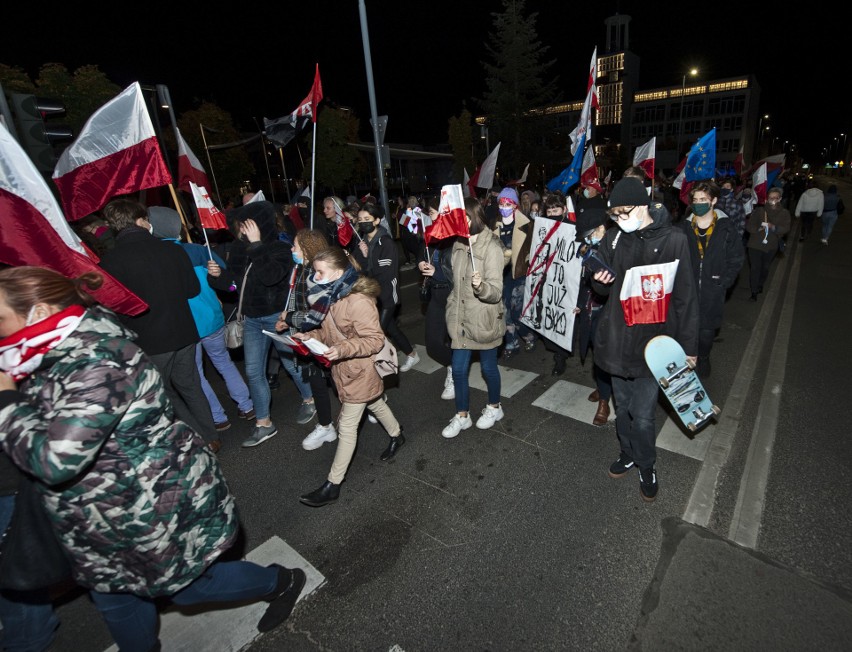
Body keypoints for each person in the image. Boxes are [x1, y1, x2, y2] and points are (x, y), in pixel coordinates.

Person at [0, 267, 306, 652]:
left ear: (40, 312)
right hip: (97, 517)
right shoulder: (31, 355)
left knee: (191, 589)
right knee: (115, 599)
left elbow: (56, 460)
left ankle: (280, 581)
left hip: (148, 506)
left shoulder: (98, 359)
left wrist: (6, 402)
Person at [590, 177, 699, 502]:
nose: (620, 220)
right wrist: (599, 280)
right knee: (623, 410)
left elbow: (686, 299)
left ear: (643, 206)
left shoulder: (675, 240)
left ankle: (646, 464)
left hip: (655, 346)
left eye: (624, 213)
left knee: (644, 415)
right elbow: (602, 290)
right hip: (618, 342)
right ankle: (628, 453)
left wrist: (689, 349)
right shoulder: (612, 239)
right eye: (615, 215)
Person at [99, 198, 221, 452]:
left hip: (150, 339)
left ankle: (195, 438)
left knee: (163, 391)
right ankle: (211, 436)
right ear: (139, 221)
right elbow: (192, 289)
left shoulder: (110, 263)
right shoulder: (173, 250)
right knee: (191, 385)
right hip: (185, 331)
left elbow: (114, 307)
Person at [294, 247, 405, 507]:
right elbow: (328, 333)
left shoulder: (358, 300)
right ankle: (397, 435)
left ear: (339, 271)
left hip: (361, 369)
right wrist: (311, 337)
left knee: (346, 426)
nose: (315, 276)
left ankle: (333, 485)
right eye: (315, 271)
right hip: (343, 369)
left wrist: (342, 349)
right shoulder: (329, 296)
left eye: (320, 271)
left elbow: (375, 341)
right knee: (375, 402)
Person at [147, 207, 255, 443]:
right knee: (223, 362)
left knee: (195, 375)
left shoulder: (156, 257)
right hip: (212, 317)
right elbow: (224, 276)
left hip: (186, 326)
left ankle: (218, 417)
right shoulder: (198, 250)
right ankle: (247, 406)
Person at [216, 200, 314, 448]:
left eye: (246, 224)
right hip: (251, 319)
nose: (241, 229)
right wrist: (216, 277)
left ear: (258, 225)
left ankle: (310, 399)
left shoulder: (279, 248)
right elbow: (235, 286)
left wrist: (257, 245)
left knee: (291, 366)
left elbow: (271, 277)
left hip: (277, 318)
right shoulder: (240, 249)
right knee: (252, 372)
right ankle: (264, 423)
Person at [441, 197, 506, 439]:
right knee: (458, 370)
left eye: (463, 218)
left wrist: (482, 287)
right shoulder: (459, 244)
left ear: (475, 217)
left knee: (489, 369)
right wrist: (434, 271)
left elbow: (496, 291)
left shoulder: (492, 248)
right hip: (461, 319)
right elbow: (454, 281)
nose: (460, 224)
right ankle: (462, 416)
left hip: (483, 318)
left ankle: (495, 407)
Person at [274, 228, 340, 451]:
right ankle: (326, 426)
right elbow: (296, 304)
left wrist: (290, 317)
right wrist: (286, 320)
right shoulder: (299, 270)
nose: (292, 249)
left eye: (295, 246)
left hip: (324, 337)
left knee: (341, 382)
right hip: (306, 337)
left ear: (308, 249)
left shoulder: (318, 276)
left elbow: (320, 314)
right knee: (317, 382)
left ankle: (372, 405)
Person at [680, 181, 745, 378]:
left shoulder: (725, 228)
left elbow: (736, 258)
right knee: (685, 331)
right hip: (686, 290)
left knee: (706, 334)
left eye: (703, 200)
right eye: (696, 199)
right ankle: (686, 365)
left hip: (712, 290)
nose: (698, 203)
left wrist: (723, 282)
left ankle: (704, 356)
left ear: (714, 201)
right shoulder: (683, 227)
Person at [352, 202, 420, 372]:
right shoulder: (362, 243)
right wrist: (358, 255)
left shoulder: (386, 242)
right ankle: (412, 354)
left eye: (367, 219)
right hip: (370, 294)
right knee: (391, 328)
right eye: (360, 220)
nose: (363, 222)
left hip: (387, 294)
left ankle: (382, 369)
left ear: (376, 221)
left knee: (377, 332)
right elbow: (357, 268)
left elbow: (384, 271)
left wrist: (367, 257)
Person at [573, 205, 613, 426]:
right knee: (594, 352)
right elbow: (579, 281)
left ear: (601, 228)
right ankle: (603, 386)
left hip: (607, 312)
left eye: (589, 235)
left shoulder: (614, 248)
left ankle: (605, 402)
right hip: (589, 309)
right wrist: (578, 303)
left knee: (603, 354)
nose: (586, 240)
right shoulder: (586, 249)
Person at [418, 196, 456, 400]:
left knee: (456, 341)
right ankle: (453, 366)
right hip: (436, 294)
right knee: (433, 343)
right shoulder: (430, 234)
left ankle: (456, 374)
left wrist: (437, 273)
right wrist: (420, 264)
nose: (429, 216)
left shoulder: (456, 237)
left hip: (453, 295)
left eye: (432, 212)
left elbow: (457, 273)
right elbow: (421, 253)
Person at [495, 187, 536, 360]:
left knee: (516, 309)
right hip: (501, 274)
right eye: (501, 203)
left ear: (514, 205)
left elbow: (536, 247)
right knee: (504, 311)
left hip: (519, 273)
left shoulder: (526, 224)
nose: (504, 206)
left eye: (508, 203)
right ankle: (511, 343)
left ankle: (528, 335)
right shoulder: (494, 224)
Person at [745, 187, 791, 301]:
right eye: (771, 197)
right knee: (755, 268)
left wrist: (773, 227)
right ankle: (754, 291)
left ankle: (760, 283)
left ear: (780, 199)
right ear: (767, 199)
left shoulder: (784, 213)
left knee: (765, 268)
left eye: (776, 197)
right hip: (755, 245)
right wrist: (759, 228)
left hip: (771, 246)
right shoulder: (760, 211)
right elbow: (749, 226)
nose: (773, 200)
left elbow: (786, 228)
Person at [716, 176, 747, 242]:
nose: (725, 188)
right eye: (723, 186)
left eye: (727, 186)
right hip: (717, 237)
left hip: (731, 237)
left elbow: (742, 222)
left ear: (732, 189)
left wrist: (738, 238)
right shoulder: (716, 202)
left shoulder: (738, 203)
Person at [794, 178, 824, 242]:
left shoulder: (805, 193)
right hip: (813, 212)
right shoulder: (820, 194)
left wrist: (797, 213)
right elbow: (821, 204)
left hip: (804, 211)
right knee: (810, 223)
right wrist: (819, 213)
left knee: (803, 224)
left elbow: (800, 203)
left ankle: (802, 236)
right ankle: (808, 233)